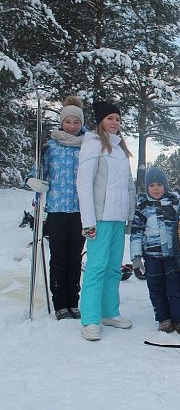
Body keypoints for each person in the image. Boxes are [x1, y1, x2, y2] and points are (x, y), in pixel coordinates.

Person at [76, 101, 136, 341]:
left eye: (118, 119)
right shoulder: (92, 145)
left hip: (117, 218)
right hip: (99, 218)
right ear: (101, 120)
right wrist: (88, 221)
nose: (115, 123)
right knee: (96, 267)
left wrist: (128, 216)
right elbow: (84, 184)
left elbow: (128, 186)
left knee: (113, 268)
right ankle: (90, 317)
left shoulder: (120, 148)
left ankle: (109, 311)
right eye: (110, 118)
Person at [25, 96, 87, 320]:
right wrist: (34, 181)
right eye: (68, 122)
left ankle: (73, 301)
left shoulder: (88, 146)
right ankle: (60, 302)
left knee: (75, 258)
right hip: (57, 211)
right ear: (62, 122)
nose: (72, 126)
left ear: (81, 123)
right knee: (59, 257)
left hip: (81, 210)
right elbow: (36, 173)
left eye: (76, 123)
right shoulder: (49, 146)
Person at [130, 167, 180, 336]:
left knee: (176, 287)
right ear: (146, 187)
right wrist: (136, 258)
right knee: (156, 288)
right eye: (152, 185)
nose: (156, 188)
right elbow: (136, 233)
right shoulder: (142, 207)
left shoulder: (175, 202)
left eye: (159, 184)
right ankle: (163, 319)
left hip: (174, 256)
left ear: (165, 185)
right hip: (152, 257)